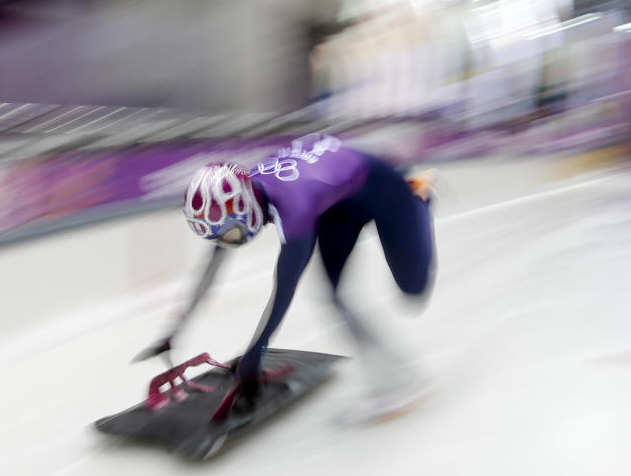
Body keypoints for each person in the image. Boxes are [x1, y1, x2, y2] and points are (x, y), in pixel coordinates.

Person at [135, 133, 437, 418]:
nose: (229, 242)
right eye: (219, 237)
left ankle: (420, 195)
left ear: (247, 210)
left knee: (413, 290)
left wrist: (255, 354)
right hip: (338, 204)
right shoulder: (239, 199)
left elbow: (283, 291)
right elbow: (209, 272)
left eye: (231, 234)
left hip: (384, 189)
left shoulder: (295, 206)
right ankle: (395, 379)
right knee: (334, 297)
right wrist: (173, 332)